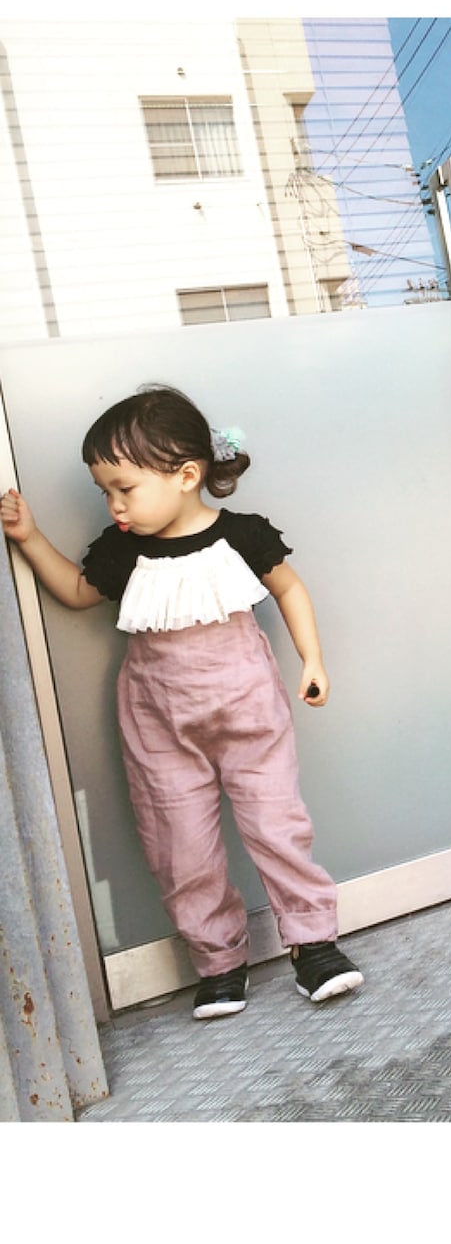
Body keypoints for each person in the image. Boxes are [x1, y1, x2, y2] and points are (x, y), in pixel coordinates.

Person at [1, 385, 363, 1021]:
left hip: (248, 709)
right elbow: (78, 593)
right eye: (104, 492)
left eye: (125, 488)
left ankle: (314, 944)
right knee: (179, 844)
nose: (114, 504)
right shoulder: (122, 549)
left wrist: (313, 659)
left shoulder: (242, 535)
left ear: (187, 476)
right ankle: (219, 962)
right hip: (158, 722)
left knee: (276, 825)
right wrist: (29, 538)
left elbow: (289, 589)